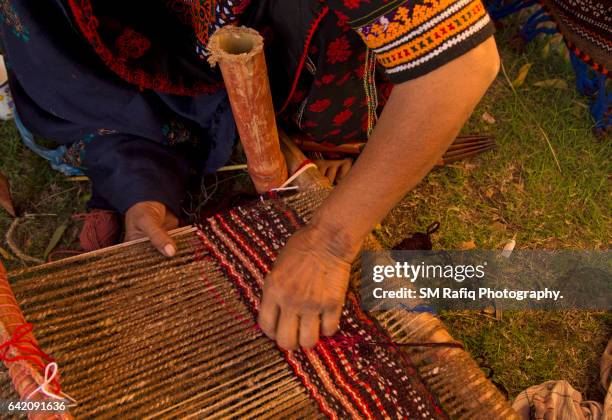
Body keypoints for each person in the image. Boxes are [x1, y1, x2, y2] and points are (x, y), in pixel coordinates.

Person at [0, 0, 499, 350]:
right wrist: (140, 185)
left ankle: (334, 130)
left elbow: (461, 64)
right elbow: (66, 63)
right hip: (174, 41)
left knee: (339, 62)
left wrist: (330, 240)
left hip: (293, 31)